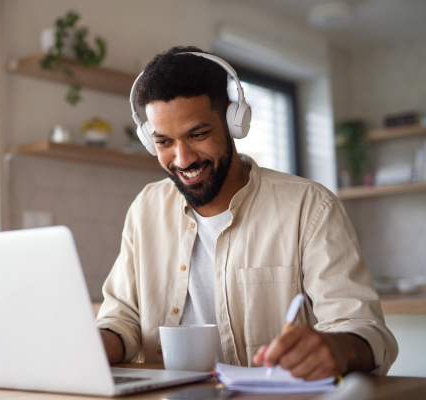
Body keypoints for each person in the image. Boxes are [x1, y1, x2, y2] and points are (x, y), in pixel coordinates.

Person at [95, 46, 397, 380]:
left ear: (232, 121)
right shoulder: (145, 209)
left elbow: (365, 329)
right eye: (164, 142)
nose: (182, 159)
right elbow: (121, 316)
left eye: (197, 134)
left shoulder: (309, 206)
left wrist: (340, 349)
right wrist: (98, 342)